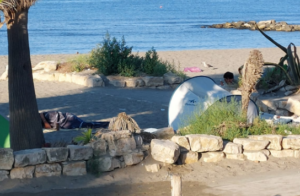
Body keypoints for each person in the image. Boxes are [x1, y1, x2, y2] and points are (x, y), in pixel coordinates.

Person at [40, 111, 109, 130]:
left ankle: (107, 124)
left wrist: (45, 122)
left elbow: (41, 113)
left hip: (67, 119)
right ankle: (107, 124)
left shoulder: (42, 116)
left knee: (87, 125)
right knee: (86, 125)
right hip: (65, 122)